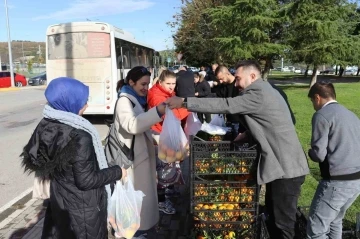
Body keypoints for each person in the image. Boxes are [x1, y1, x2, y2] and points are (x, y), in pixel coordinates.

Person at [166, 60, 309, 239]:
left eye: (239, 78)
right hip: (282, 166)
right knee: (274, 214)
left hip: (287, 168)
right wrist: (246, 135)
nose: (237, 83)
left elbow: (226, 104)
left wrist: (184, 102)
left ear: (253, 76)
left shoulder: (257, 93)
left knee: (283, 223)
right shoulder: (266, 89)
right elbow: (267, 122)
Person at [21, 77, 126, 239]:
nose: (86, 105)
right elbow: (86, 180)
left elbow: (37, 158)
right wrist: (118, 172)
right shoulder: (79, 136)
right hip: (83, 210)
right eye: (83, 100)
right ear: (70, 101)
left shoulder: (46, 123)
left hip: (60, 201)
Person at [114, 66, 166, 239]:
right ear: (131, 82)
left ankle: (140, 231)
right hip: (132, 162)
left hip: (141, 158)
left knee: (141, 201)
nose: (146, 88)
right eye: (143, 84)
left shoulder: (136, 100)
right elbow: (132, 125)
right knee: (135, 202)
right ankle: (135, 233)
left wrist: (159, 140)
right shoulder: (124, 101)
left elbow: (142, 129)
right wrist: (158, 111)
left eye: (148, 84)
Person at [306, 82, 360, 239]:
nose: (313, 106)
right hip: (356, 180)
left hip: (337, 183)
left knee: (316, 230)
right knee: (335, 220)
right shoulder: (350, 114)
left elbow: (319, 155)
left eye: (312, 101)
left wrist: (309, 153)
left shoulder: (322, 115)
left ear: (317, 97)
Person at [147, 70, 189, 215]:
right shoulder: (157, 95)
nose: (172, 87)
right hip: (158, 135)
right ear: (160, 82)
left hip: (164, 134)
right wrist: (188, 107)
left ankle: (168, 192)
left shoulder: (166, 93)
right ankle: (161, 201)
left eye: (174, 84)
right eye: (168, 84)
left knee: (169, 165)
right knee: (163, 169)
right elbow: (171, 115)